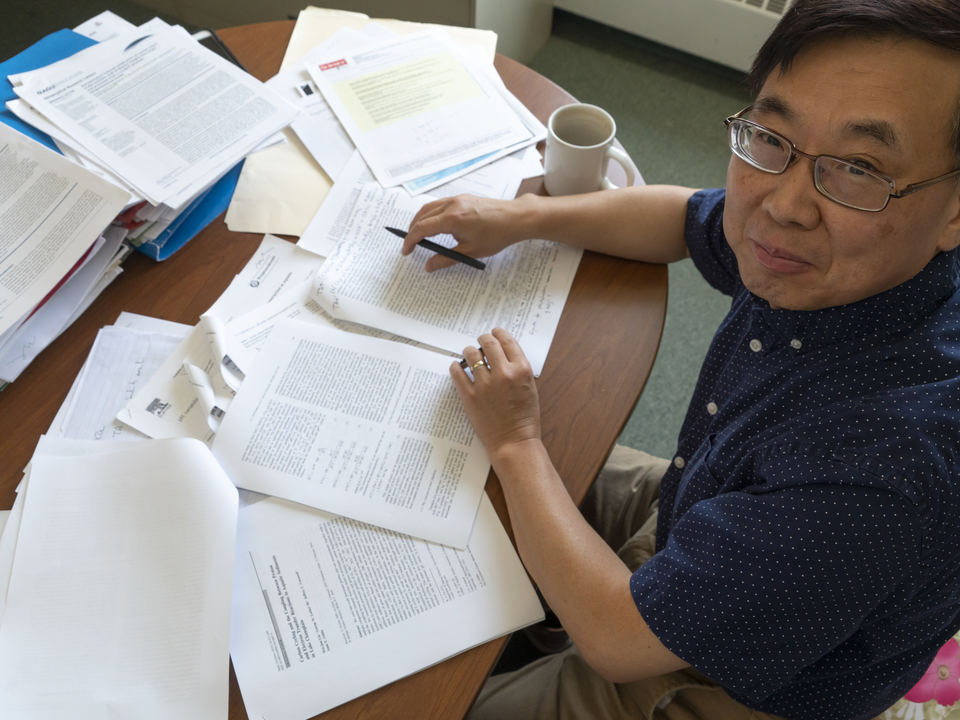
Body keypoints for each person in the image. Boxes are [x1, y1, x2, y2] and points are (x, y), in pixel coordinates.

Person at [401, 1, 960, 719]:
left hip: (724, 682)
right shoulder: (841, 252)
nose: (782, 205)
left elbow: (617, 639)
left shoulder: (882, 470)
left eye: (859, 167)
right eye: (773, 136)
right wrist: (518, 218)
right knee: (477, 470)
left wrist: (517, 443)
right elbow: (683, 216)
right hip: (712, 496)